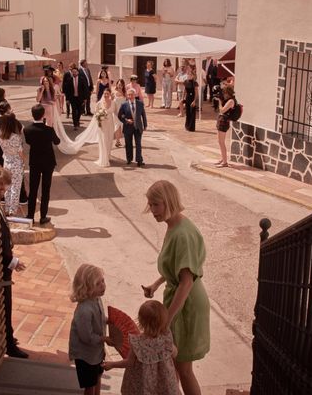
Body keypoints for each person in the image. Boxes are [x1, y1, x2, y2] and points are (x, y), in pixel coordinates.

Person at [142, 180, 210, 395]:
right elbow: (176, 267)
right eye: (150, 205)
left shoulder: (182, 234)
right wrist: (156, 283)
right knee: (173, 367)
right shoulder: (175, 225)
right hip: (179, 300)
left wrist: (166, 321)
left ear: (169, 202)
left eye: (156, 205)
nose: (152, 211)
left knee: (183, 368)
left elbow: (186, 281)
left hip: (187, 305)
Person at [0, 164, 29, 359]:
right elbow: (0, 243)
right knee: (6, 305)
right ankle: (9, 344)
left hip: (4, 266)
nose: (2, 192)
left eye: (4, 188)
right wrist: (14, 261)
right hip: (1, 269)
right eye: (0, 187)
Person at [102, 300, 179, 395]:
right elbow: (175, 353)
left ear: (141, 322)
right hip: (164, 384)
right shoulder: (166, 339)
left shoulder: (138, 343)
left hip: (143, 386)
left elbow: (128, 363)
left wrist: (112, 365)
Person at [69, 264, 111, 395]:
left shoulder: (96, 299)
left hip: (96, 352)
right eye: (98, 284)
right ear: (87, 288)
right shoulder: (84, 310)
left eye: (103, 281)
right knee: (90, 385)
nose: (103, 285)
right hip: (85, 355)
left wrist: (107, 320)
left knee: (97, 377)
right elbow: (86, 337)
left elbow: (99, 318)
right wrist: (105, 339)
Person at [23, 104, 60, 225]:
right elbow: (57, 141)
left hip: (35, 162)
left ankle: (30, 216)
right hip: (48, 162)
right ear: (43, 115)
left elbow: (28, 142)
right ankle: (43, 216)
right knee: (45, 189)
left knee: (33, 189)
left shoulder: (27, 129)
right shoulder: (49, 129)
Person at [0, 113, 25, 215]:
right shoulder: (15, 137)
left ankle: (7, 209)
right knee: (15, 188)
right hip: (16, 163)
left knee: (7, 187)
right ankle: (13, 210)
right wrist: (24, 162)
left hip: (6, 162)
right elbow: (20, 153)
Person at [118, 88, 147, 167]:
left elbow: (143, 115)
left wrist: (145, 125)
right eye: (128, 95)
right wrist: (126, 120)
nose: (130, 96)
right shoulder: (124, 104)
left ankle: (139, 160)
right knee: (128, 144)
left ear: (135, 95)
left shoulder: (140, 103)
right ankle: (129, 159)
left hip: (138, 127)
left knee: (138, 144)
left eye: (131, 94)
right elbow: (120, 115)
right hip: (127, 127)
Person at [215, 84, 237, 168]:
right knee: (219, 141)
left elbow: (222, 110)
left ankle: (225, 162)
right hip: (222, 121)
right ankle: (222, 158)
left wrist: (220, 101)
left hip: (224, 122)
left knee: (221, 142)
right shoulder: (229, 100)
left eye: (224, 92)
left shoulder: (231, 101)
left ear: (228, 93)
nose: (223, 94)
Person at [63, 64, 89, 131]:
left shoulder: (82, 79)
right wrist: (67, 99)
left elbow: (85, 89)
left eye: (75, 72)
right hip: (73, 98)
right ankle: (75, 124)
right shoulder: (69, 80)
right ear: (71, 72)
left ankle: (77, 120)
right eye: (73, 72)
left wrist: (85, 98)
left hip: (80, 98)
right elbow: (67, 91)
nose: (74, 73)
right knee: (74, 111)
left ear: (78, 72)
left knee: (80, 110)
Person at [95, 88, 115, 167]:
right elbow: (96, 114)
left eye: (107, 93)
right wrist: (99, 118)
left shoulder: (113, 103)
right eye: (105, 93)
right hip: (102, 125)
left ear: (110, 94)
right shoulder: (99, 103)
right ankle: (104, 158)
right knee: (103, 140)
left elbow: (116, 113)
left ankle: (108, 156)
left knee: (109, 140)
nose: (106, 95)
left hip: (110, 124)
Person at [183, 68, 199, 132]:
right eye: (188, 74)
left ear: (193, 76)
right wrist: (182, 98)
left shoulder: (195, 83)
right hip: (187, 98)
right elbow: (184, 91)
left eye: (190, 74)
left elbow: (196, 93)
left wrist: (194, 101)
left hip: (192, 98)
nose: (189, 75)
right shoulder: (186, 82)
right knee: (187, 113)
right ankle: (187, 126)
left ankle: (191, 128)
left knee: (192, 113)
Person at [113, 79, 127, 148]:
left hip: (123, 113)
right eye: (118, 84)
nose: (119, 86)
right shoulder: (114, 92)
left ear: (123, 85)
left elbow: (126, 103)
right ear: (116, 85)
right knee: (117, 126)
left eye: (121, 85)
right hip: (116, 112)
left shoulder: (125, 93)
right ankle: (117, 141)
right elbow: (111, 102)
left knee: (122, 127)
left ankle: (122, 141)